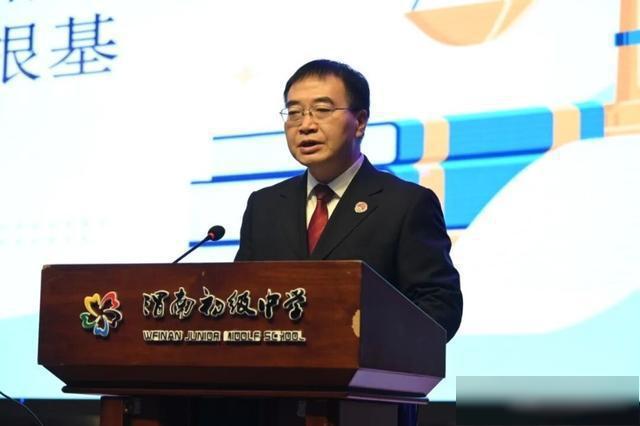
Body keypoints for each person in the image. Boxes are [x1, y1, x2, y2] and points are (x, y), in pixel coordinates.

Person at [235, 59, 462, 341]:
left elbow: (439, 305)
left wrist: (372, 342)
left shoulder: (405, 204)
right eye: (294, 113)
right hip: (276, 367)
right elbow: (239, 298)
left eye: (322, 110)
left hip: (368, 366)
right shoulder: (264, 206)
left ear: (360, 122)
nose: (305, 125)